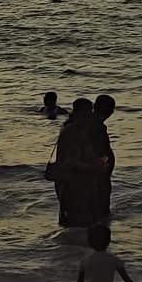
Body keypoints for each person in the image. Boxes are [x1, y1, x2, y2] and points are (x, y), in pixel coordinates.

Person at [54, 98, 103, 228]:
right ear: (77, 115)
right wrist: (94, 167)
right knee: (80, 224)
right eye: (87, 115)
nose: (90, 118)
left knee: (81, 224)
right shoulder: (73, 133)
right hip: (75, 186)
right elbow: (70, 163)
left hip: (79, 184)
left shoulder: (77, 131)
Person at [76, 223, 140, 282]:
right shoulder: (114, 260)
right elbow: (127, 280)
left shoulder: (84, 260)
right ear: (109, 240)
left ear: (89, 242)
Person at [89, 94, 116, 217]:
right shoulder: (96, 128)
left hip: (95, 174)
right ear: (111, 112)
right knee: (100, 212)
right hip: (97, 175)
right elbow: (99, 154)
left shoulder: (90, 124)